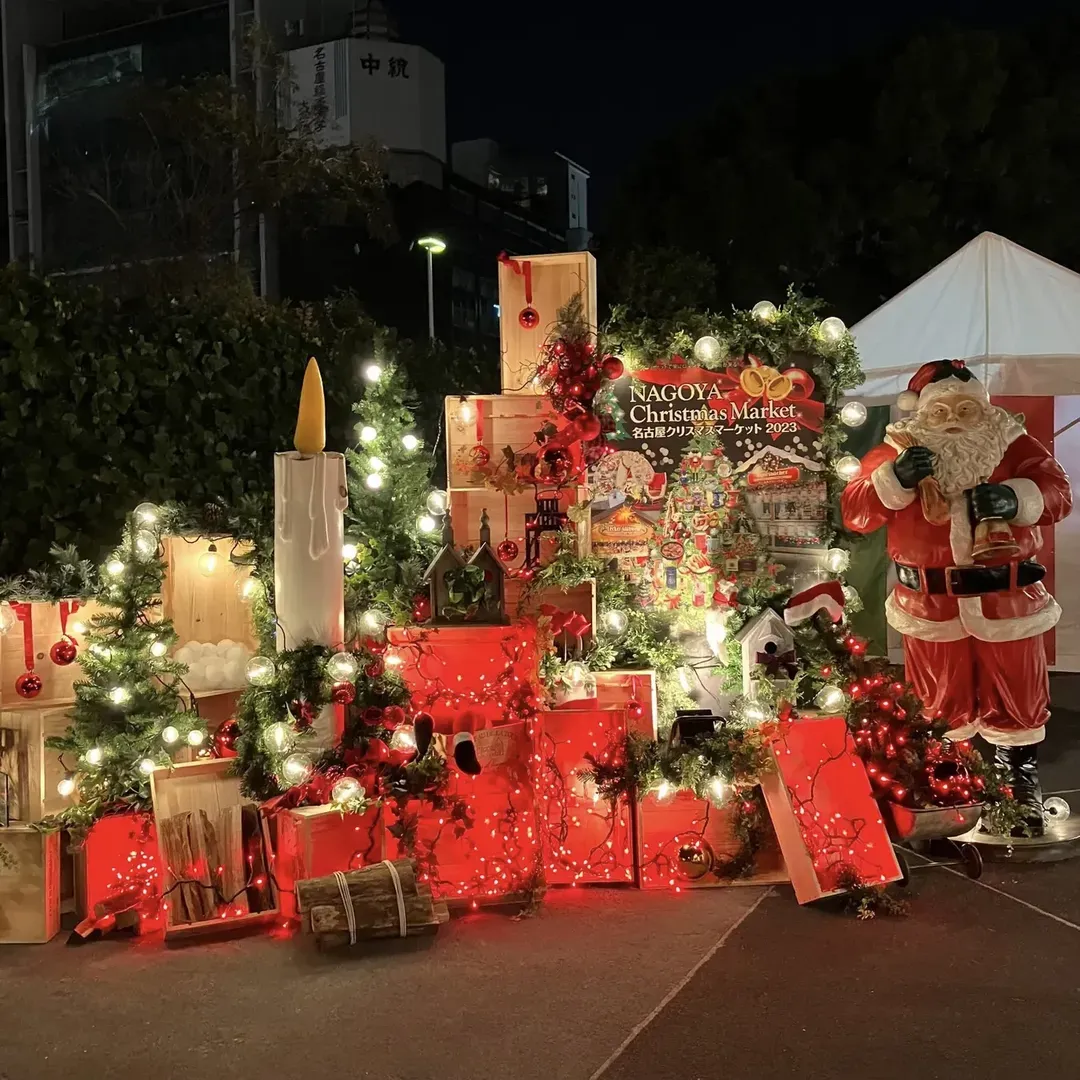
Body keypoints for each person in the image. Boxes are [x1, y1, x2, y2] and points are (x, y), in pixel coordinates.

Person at [841, 359, 1072, 834]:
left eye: (967, 409)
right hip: (930, 603)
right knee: (938, 699)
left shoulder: (1011, 443)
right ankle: (948, 777)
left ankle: (1017, 780)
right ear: (922, 411)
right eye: (942, 408)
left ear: (984, 409)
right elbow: (856, 513)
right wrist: (896, 480)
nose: (953, 418)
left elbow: (1058, 493)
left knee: (1018, 690)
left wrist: (1016, 498)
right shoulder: (896, 450)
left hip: (1006, 599)